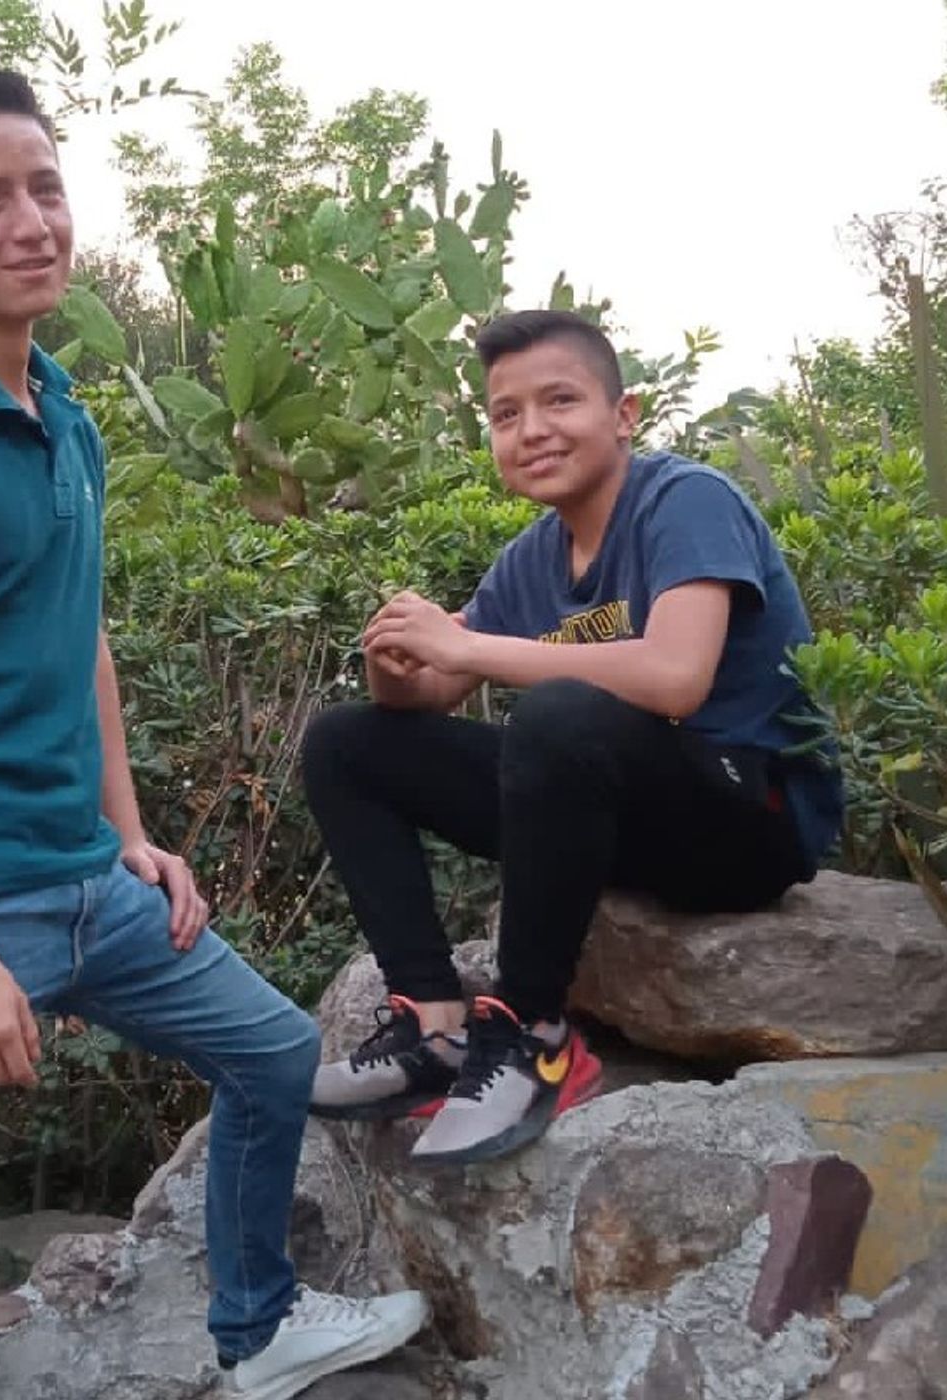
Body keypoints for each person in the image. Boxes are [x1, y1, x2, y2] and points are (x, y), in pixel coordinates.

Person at [0, 69, 425, 1400]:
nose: (31, 222)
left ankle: (256, 1330)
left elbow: (75, 636)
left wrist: (128, 833)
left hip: (88, 880)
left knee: (272, 1051)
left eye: (46, 187)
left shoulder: (59, 409)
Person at [303, 309, 843, 1166]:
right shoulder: (533, 558)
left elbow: (676, 676)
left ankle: (534, 1034)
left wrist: (469, 647)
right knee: (346, 743)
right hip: (624, 819)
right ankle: (433, 1032)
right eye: (505, 413)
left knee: (558, 713)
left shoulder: (685, 501)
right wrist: (396, 660)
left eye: (559, 401)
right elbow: (432, 694)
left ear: (624, 415)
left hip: (749, 817)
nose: (532, 430)